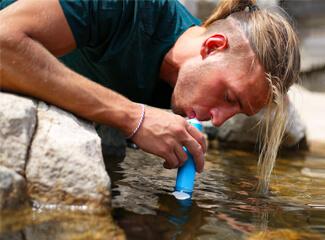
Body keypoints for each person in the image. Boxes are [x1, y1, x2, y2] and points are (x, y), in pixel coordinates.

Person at [0, 0, 300, 192]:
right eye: (230, 97)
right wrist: (133, 118)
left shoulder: (178, 87)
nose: (219, 120)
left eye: (237, 112)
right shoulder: (126, 7)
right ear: (212, 47)